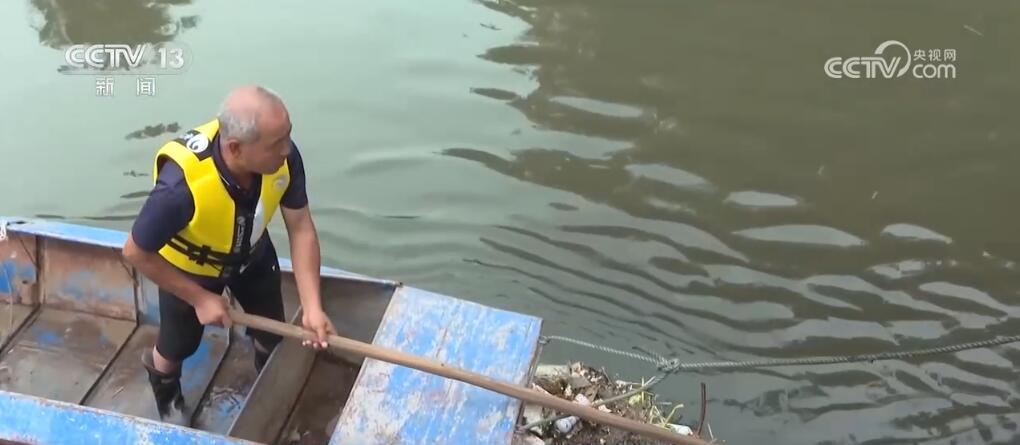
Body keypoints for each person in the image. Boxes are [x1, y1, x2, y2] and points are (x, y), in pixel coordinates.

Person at [122, 85, 337, 424]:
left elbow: (301, 228)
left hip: (252, 256)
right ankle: (166, 393)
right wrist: (199, 298)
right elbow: (135, 252)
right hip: (192, 269)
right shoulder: (180, 189)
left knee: (273, 334)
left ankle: (270, 390)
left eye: (288, 136)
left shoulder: (284, 157)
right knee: (178, 345)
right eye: (276, 144)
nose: (287, 150)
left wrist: (312, 306)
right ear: (236, 148)